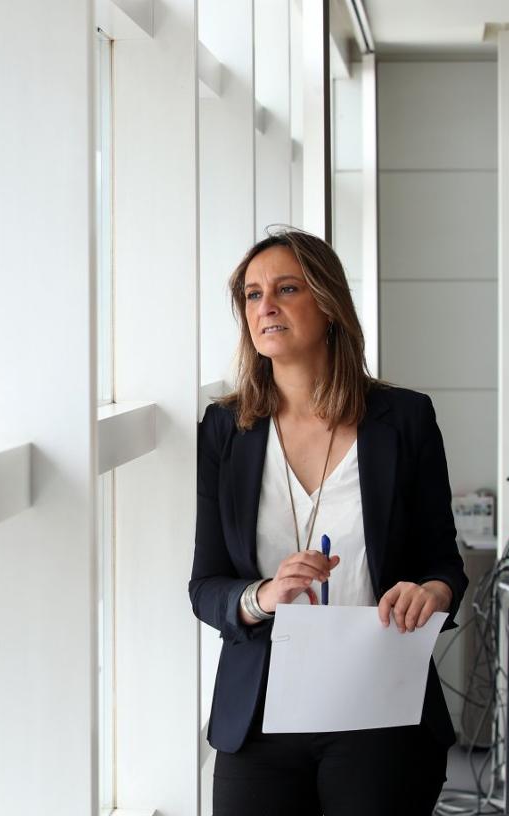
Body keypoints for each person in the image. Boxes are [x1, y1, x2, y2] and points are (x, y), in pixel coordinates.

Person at [189, 226, 469, 815]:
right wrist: (263, 596)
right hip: (259, 710)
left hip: (381, 702)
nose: (264, 306)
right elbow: (206, 587)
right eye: (250, 294)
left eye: (285, 289)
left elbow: (443, 562)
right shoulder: (224, 430)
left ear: (328, 303)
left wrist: (430, 592)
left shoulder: (406, 419)